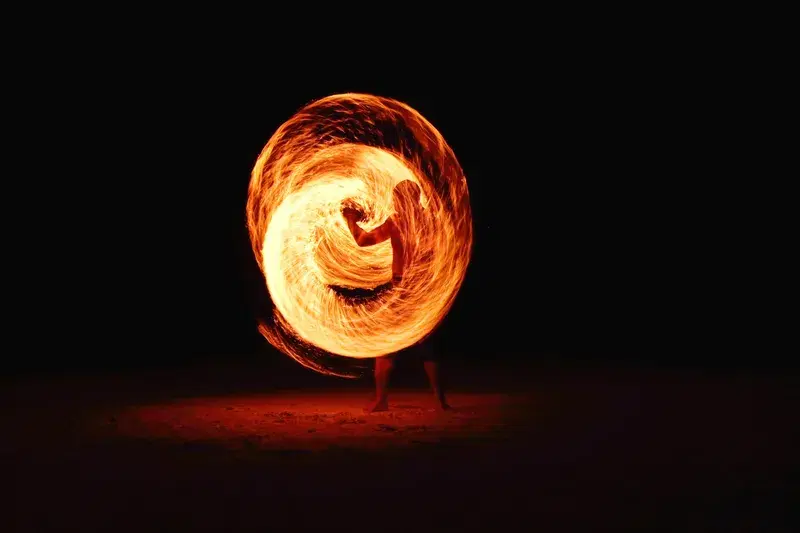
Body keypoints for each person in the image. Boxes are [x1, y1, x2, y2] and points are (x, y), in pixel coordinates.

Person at [342, 180, 450, 412]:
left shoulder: (397, 220)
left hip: (402, 288)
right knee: (427, 344)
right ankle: (440, 400)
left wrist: (350, 219)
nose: (394, 203)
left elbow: (363, 241)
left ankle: (381, 400)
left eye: (396, 198)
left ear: (403, 199)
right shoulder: (432, 221)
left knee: (387, 342)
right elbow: (444, 251)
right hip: (424, 287)